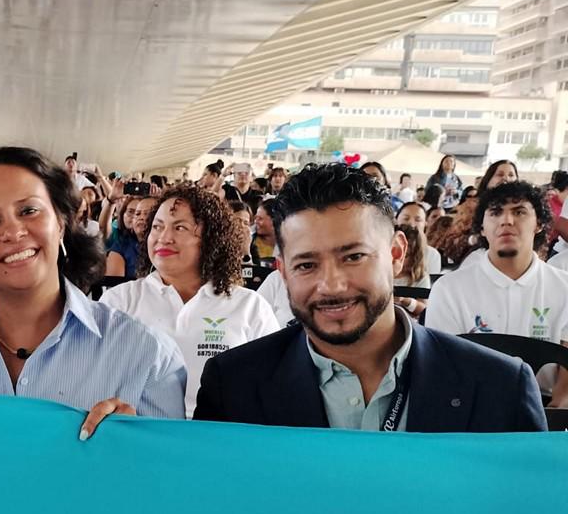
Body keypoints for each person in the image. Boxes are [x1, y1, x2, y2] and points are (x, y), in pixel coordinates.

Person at [193, 163, 546, 432]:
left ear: (396, 254)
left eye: (353, 257)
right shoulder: (233, 386)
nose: (331, 285)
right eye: (306, 265)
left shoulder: (499, 387)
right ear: (283, 272)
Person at [0, 146, 187, 430]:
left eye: (29, 211)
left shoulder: (146, 356)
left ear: (61, 223)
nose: (13, 232)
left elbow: (171, 458)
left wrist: (135, 446)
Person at [101, 186, 278, 416]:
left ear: (211, 238)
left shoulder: (249, 307)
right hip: (140, 431)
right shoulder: (118, 302)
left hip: (221, 433)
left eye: (180, 228)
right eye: (157, 227)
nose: (164, 238)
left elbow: (273, 388)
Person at [426, 180, 568, 407]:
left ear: (539, 224)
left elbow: (565, 383)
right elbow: (442, 368)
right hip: (470, 408)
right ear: (482, 227)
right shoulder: (449, 290)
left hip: (547, 409)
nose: (506, 220)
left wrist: (557, 410)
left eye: (519, 212)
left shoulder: (564, 288)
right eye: (495, 212)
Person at [396, 200, 442, 277]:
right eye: (406, 219)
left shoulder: (432, 255)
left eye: (418, 220)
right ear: (396, 220)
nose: (411, 224)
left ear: (425, 224)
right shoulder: (384, 248)